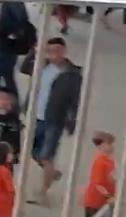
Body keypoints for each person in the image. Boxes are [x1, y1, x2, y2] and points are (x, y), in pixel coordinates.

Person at [28, 37, 84, 205]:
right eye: (50, 51)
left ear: (63, 51)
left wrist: (71, 120)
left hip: (54, 119)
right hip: (36, 115)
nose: (53, 54)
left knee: (47, 156)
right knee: (30, 150)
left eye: (56, 51)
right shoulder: (43, 65)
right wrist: (35, 51)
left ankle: (44, 192)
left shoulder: (72, 74)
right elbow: (25, 68)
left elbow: (76, 100)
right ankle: (51, 173)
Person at [76, 132, 117, 217]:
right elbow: (98, 183)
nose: (111, 147)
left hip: (102, 202)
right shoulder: (99, 162)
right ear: (100, 146)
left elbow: (110, 179)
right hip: (94, 201)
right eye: (108, 144)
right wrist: (109, 196)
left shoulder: (109, 162)